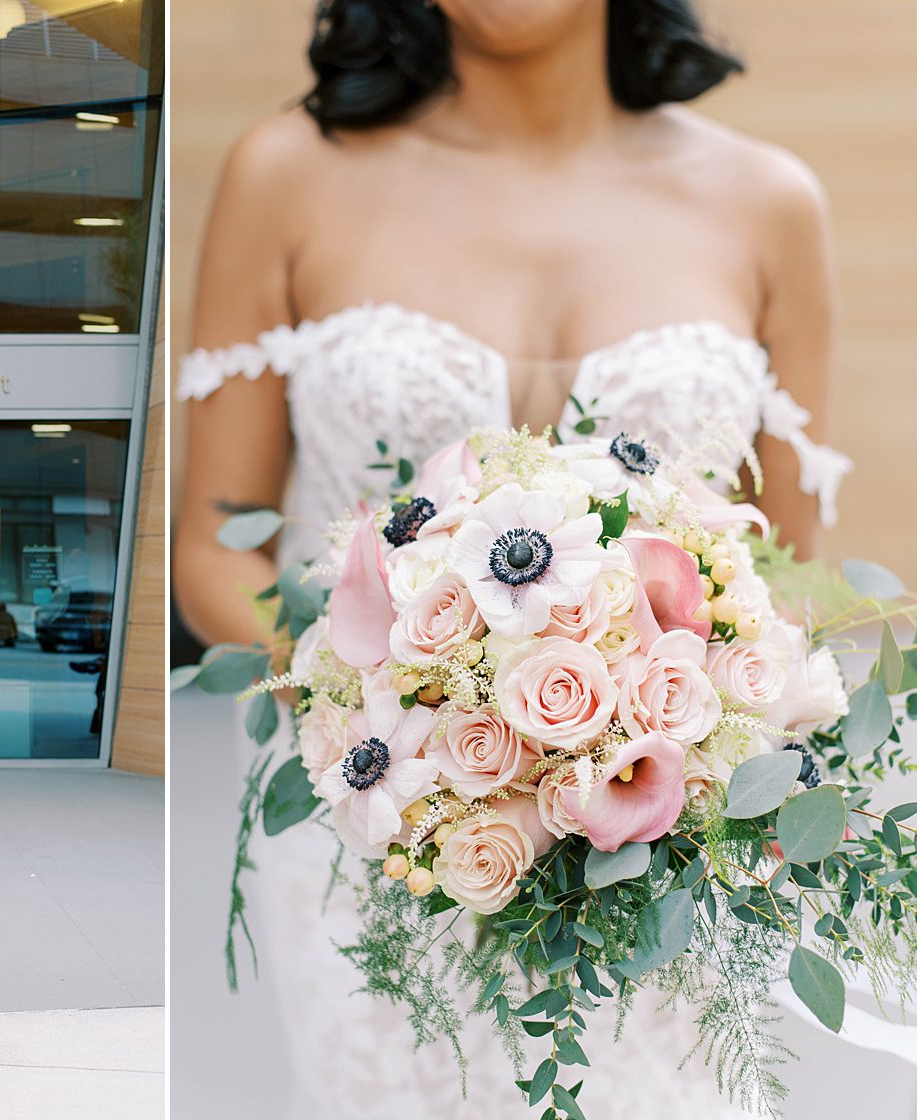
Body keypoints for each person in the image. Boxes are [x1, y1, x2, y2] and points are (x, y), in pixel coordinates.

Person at [173, 1, 851, 1116]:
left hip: (661, 845)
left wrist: (669, 717)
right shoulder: (287, 172)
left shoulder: (769, 202)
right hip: (383, 837)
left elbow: (786, 579)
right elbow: (211, 542)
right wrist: (400, 705)